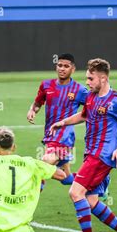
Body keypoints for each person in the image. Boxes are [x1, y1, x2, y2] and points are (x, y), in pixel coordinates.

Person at [50, 58, 117, 232]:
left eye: (91, 78)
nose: (87, 82)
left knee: (75, 192)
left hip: (102, 156)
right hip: (91, 152)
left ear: (103, 78)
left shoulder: (116, 101)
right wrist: (62, 123)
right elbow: (84, 116)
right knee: (90, 201)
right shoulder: (91, 97)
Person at [27, 53, 88, 189]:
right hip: (50, 134)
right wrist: (32, 110)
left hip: (64, 136)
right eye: (60, 65)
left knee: (44, 164)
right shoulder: (46, 85)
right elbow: (38, 103)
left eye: (66, 66)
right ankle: (97, 184)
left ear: (73, 69)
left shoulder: (80, 90)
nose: (62, 68)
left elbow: (91, 109)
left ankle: (34, 191)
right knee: (66, 178)